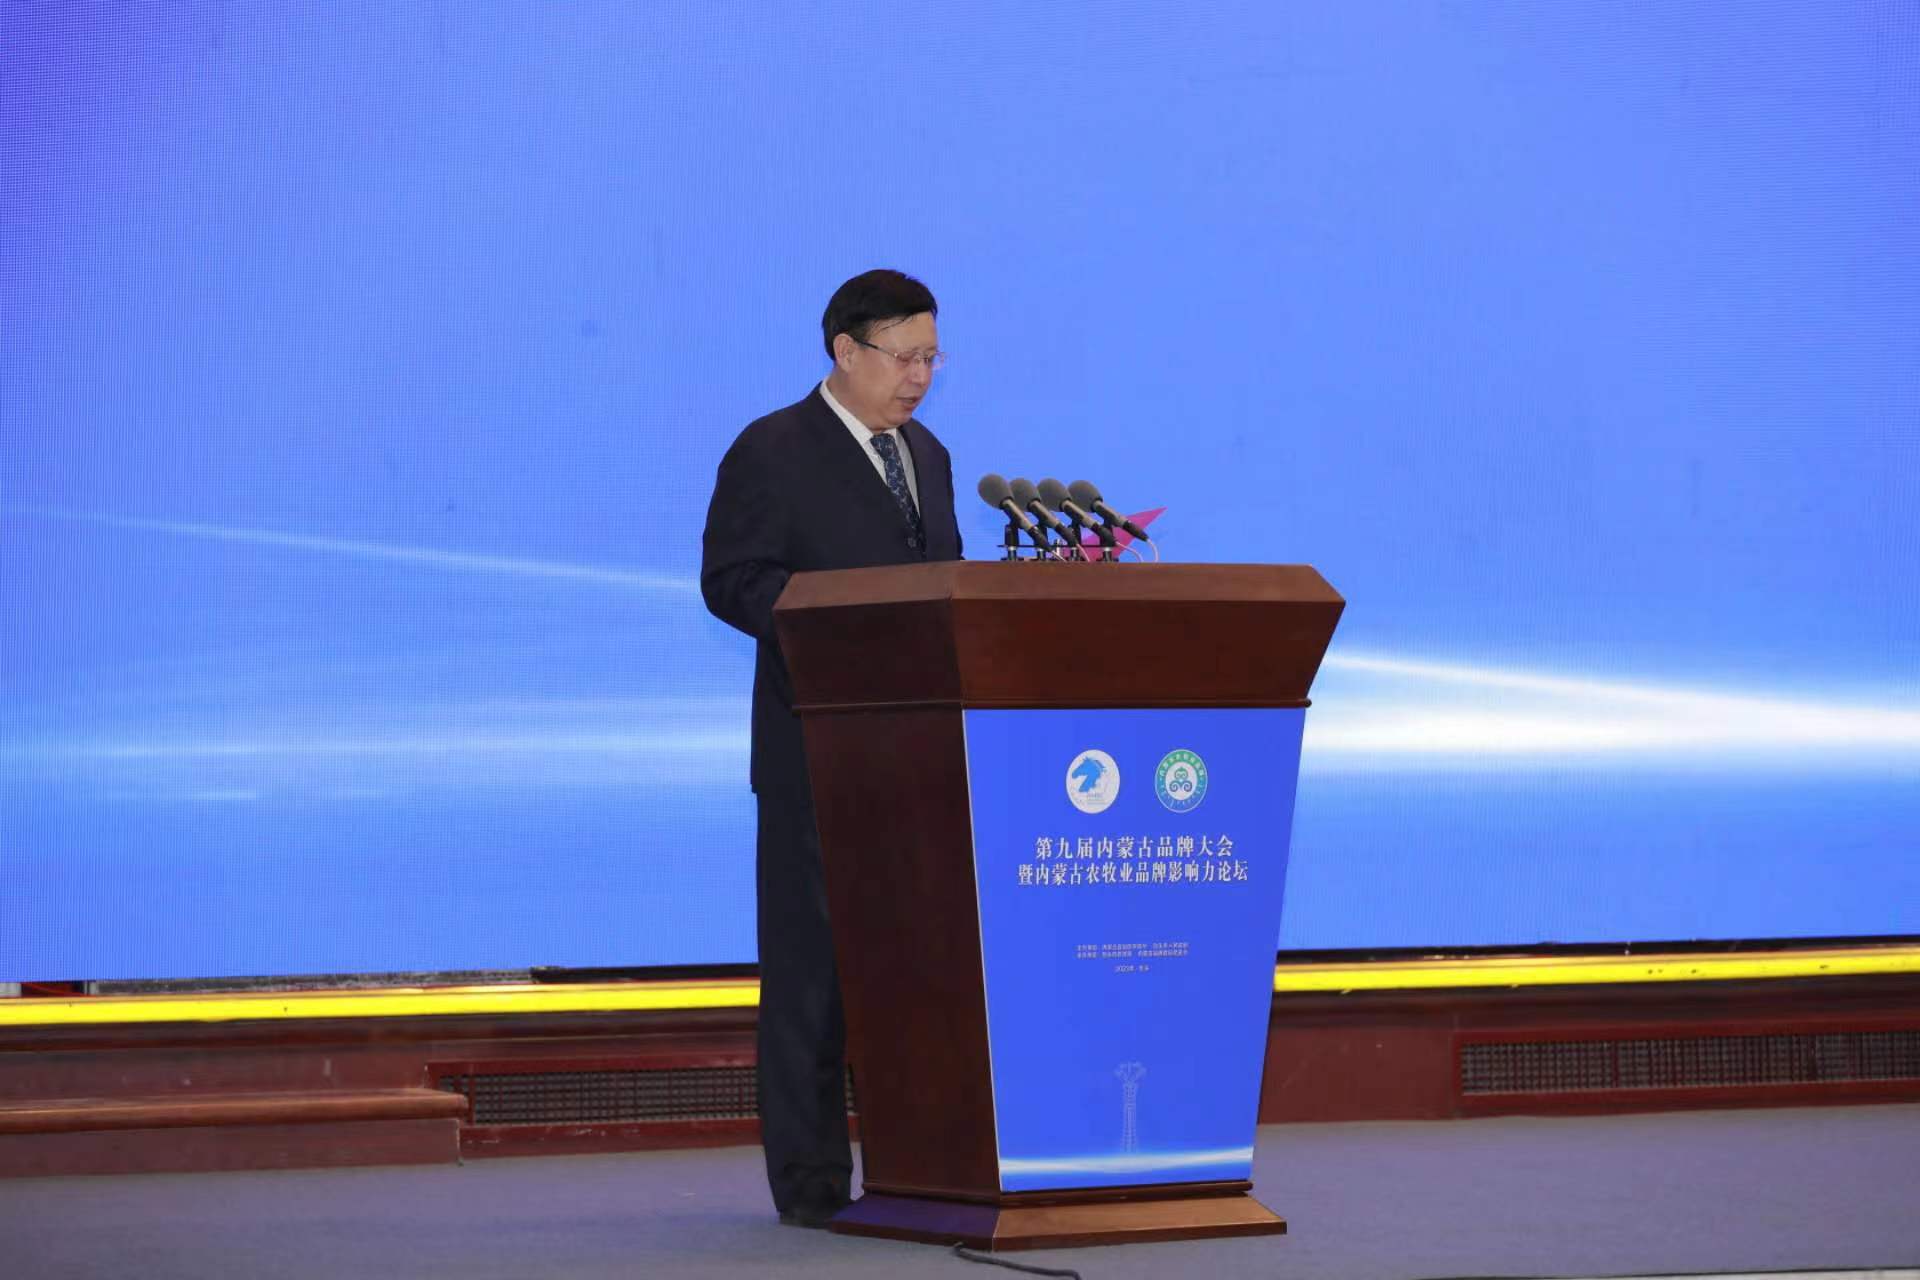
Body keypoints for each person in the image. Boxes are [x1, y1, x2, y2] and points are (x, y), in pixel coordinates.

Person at [700, 269, 963, 1227]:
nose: (920, 377)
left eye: (932, 358)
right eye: (904, 357)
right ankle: (810, 1185)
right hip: (816, 755)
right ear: (846, 351)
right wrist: (837, 628)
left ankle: (920, 1165)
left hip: (918, 760)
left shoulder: (927, 454)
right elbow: (733, 579)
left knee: (914, 973)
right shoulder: (772, 448)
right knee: (813, 977)